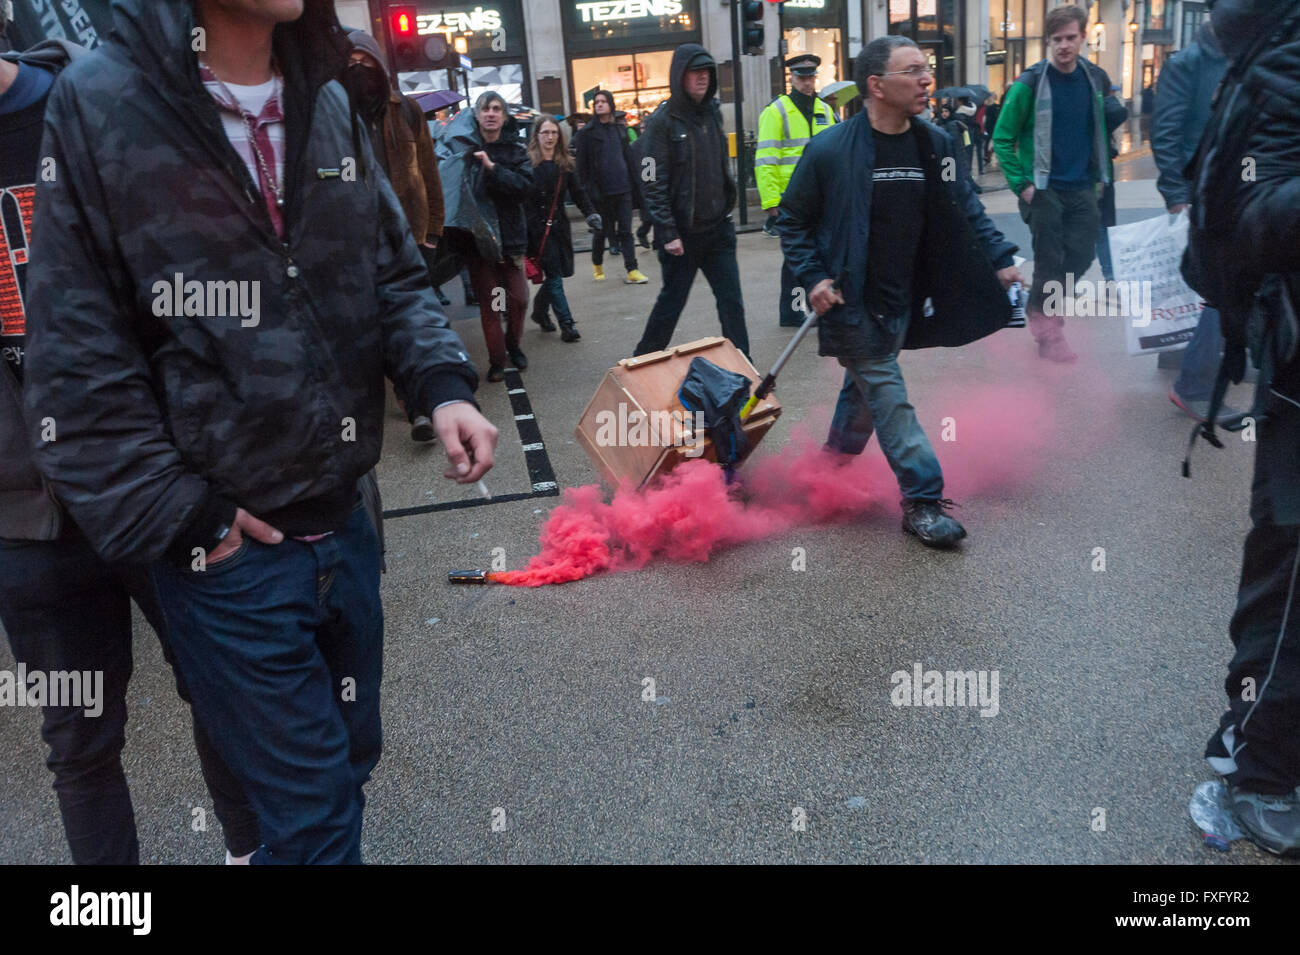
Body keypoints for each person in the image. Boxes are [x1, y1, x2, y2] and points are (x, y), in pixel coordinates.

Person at [23, 0, 497, 865]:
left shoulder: (324, 91)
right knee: (313, 817)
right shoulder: (102, 102)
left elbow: (391, 270)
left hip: (346, 520)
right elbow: (77, 354)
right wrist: (190, 521)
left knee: (347, 771)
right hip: (229, 551)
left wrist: (440, 385)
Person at [0, 22, 260, 868]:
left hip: (155, 480)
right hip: (26, 517)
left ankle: (252, 853)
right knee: (78, 740)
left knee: (220, 693)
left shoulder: (89, 103)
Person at [779, 35, 1022, 549]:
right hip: (851, 303)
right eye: (912, 71)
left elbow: (965, 208)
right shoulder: (829, 150)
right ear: (876, 85)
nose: (926, 79)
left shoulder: (934, 143)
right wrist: (814, 278)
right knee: (889, 396)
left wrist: (1000, 259)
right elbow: (793, 222)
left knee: (865, 392)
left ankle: (831, 468)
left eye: (926, 69)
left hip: (904, 301)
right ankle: (922, 499)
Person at [1182, 0, 1300, 858]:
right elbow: (1257, 213)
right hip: (1294, 368)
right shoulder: (1283, 58)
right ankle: (1258, 767)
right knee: (1291, 566)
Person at [993, 4, 1117, 363]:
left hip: (1082, 186)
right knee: (1050, 261)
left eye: (1070, 38)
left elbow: (1098, 129)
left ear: (1082, 37)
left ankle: (1040, 306)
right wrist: (1023, 185)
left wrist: (1098, 179)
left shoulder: (1094, 78)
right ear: (1048, 41)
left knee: (1082, 256)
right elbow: (1003, 137)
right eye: (1057, 39)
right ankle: (1049, 334)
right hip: (1043, 187)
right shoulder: (1030, 83)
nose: (1064, 45)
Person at [343, 29, 446, 443]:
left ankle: (419, 405)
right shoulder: (329, 114)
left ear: (380, 65)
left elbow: (430, 171)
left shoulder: (408, 110)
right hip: (355, 242)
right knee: (376, 327)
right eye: (349, 63)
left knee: (410, 320)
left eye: (365, 62)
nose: (358, 71)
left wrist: (434, 230)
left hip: (409, 234)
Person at [634, 43, 750, 361]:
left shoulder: (713, 114)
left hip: (718, 230)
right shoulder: (663, 121)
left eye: (706, 72)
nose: (701, 78)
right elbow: (651, 180)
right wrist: (667, 231)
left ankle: (744, 366)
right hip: (681, 235)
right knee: (672, 303)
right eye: (695, 72)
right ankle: (642, 361)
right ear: (679, 76)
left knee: (731, 301)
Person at [1151, 19, 1241, 427]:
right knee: (1218, 285)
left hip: (1233, 190)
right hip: (1199, 191)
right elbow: (1165, 132)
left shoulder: (1241, 56)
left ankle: (1208, 368)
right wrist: (1176, 196)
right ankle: (1195, 384)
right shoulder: (1186, 63)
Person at [450, 91, 535, 382]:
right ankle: (498, 360)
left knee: (520, 298)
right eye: (485, 109)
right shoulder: (463, 149)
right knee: (491, 304)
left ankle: (514, 345)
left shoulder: (515, 150)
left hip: (510, 239)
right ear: (476, 115)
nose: (491, 114)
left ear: (504, 115)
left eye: (497, 109)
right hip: (477, 242)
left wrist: (493, 169)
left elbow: (524, 187)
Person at [755, 53, 838, 327]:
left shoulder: (825, 111)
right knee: (796, 257)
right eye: (801, 77)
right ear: (791, 78)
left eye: (811, 77)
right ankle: (792, 311)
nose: (807, 82)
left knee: (818, 252)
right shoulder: (776, 111)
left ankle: (814, 306)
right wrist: (771, 201)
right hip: (792, 198)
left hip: (822, 196)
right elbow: (765, 159)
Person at [526, 116, 601, 343]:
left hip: (559, 227)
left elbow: (578, 193)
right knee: (555, 276)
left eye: (554, 133)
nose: (549, 137)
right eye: (545, 133)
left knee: (560, 274)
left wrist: (590, 214)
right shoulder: (528, 164)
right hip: (537, 229)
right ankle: (567, 325)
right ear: (536, 135)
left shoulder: (565, 163)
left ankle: (539, 312)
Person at [574, 90, 648, 284]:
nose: (599, 105)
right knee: (601, 232)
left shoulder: (619, 130)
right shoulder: (586, 134)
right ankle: (597, 264)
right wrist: (590, 193)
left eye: (603, 102)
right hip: (601, 193)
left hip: (623, 189)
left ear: (610, 105)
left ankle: (632, 269)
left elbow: (629, 160)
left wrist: (637, 187)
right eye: (596, 102)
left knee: (626, 231)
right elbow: (582, 169)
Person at [1093, 85, 1129, 284]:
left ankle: (1109, 273)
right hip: (1101, 174)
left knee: (1101, 227)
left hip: (1099, 175)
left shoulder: (1094, 107)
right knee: (1103, 226)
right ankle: (1110, 273)